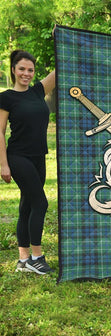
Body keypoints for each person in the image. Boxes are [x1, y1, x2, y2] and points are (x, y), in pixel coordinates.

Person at [0, 50, 56, 274]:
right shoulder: (6, 97)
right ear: (13, 70)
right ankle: (37, 257)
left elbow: (59, 69)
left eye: (30, 70)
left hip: (38, 157)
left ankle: (23, 260)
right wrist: (3, 164)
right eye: (21, 69)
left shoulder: (38, 91)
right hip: (18, 157)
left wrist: (61, 39)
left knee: (27, 206)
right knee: (41, 203)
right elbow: (0, 131)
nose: (26, 73)